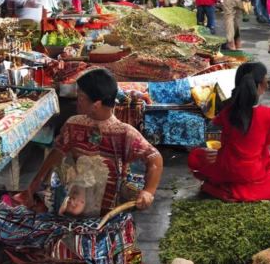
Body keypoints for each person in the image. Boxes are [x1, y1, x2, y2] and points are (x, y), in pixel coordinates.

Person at [16, 68, 163, 216]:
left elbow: (154, 158)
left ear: (96, 104)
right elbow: (59, 151)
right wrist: (34, 185)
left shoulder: (125, 133)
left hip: (109, 212)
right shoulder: (73, 124)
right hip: (74, 204)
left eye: (80, 97)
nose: (76, 102)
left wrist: (148, 191)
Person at [188, 62, 270, 202]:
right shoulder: (269, 114)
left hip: (225, 170)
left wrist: (216, 149)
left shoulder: (226, 111)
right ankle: (236, 193)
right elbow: (268, 142)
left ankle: (218, 188)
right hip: (251, 173)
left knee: (196, 157)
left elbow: (211, 132)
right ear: (262, 85)